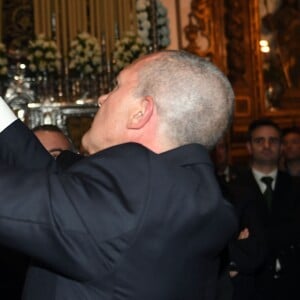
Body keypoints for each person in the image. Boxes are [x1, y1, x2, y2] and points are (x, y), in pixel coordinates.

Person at [0, 50, 237, 300]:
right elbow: (63, 197)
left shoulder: (135, 185)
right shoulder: (197, 194)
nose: (102, 98)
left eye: (116, 86)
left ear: (140, 113)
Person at [227, 118, 300, 300]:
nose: (267, 145)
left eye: (273, 140)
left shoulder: (295, 186)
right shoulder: (231, 190)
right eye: (259, 140)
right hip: (249, 287)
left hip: (292, 285)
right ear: (249, 147)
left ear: (281, 147)